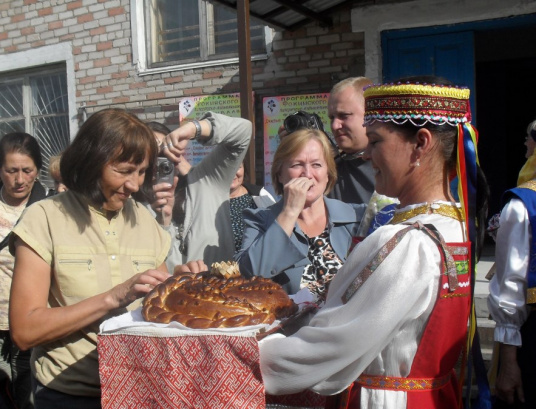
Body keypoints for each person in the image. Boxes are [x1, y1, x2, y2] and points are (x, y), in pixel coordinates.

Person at [254, 77, 488, 409]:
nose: (365, 153)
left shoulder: (408, 242)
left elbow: (329, 345)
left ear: (421, 144)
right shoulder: (454, 226)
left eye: (375, 141)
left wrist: (232, 356)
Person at [8, 108, 172, 408]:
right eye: (123, 171)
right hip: (67, 396)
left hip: (140, 392)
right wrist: (110, 298)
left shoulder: (144, 220)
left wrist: (183, 283)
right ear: (90, 161)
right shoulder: (44, 218)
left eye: (142, 171)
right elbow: (24, 330)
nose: (135, 185)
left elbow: (160, 310)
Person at [236, 128, 366, 301]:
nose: (307, 174)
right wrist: (289, 212)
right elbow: (247, 277)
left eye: (317, 165)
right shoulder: (260, 219)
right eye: (297, 164)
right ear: (280, 174)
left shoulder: (358, 216)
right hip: (292, 325)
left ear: (328, 173)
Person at [150, 112, 251, 269]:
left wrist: (193, 128)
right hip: (171, 292)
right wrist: (163, 221)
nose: (162, 159)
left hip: (217, 290)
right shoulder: (134, 206)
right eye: (153, 155)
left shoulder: (207, 180)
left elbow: (243, 130)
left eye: (166, 148)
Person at [487, 118, 536, 408]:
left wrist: (508, 363)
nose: (526, 144)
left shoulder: (523, 205)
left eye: (529, 138)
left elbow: (510, 287)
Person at [0, 132, 47, 409]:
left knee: (28, 397)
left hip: (29, 322)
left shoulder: (48, 208)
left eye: (26, 171)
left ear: (37, 171)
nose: (19, 180)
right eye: (11, 171)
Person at [327, 76, 375, 204]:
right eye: (332, 117)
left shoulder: (394, 165)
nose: (335, 126)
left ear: (370, 114)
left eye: (344, 116)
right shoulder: (327, 169)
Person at [229, 161, 275, 252]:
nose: (232, 172)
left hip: (257, 263)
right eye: (226, 167)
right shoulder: (206, 201)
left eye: (238, 167)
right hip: (217, 264)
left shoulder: (261, 195)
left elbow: (276, 233)